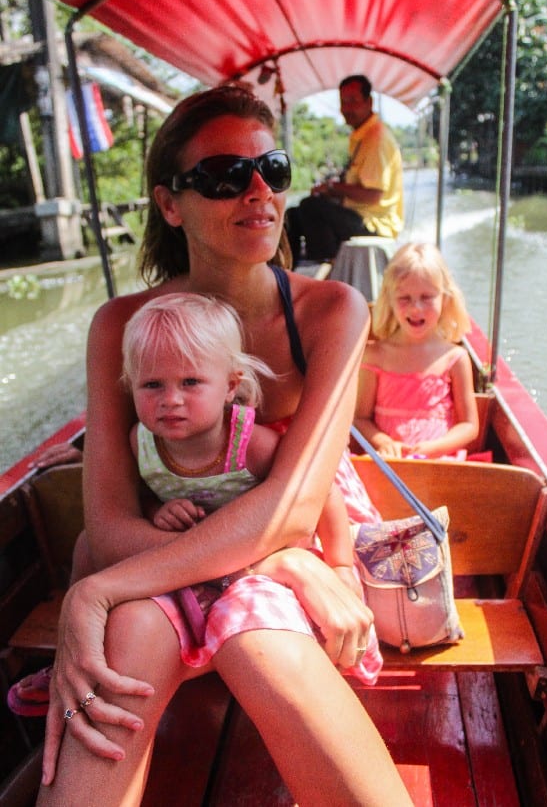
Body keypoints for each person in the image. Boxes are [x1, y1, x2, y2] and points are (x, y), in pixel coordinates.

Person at [37, 84, 414, 807]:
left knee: (255, 636)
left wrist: (97, 591)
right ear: (170, 203)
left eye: (271, 169)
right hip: (169, 550)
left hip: (295, 543)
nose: (257, 192)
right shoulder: (121, 326)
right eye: (222, 175)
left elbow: (297, 509)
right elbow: (112, 526)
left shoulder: (332, 309)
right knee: (137, 631)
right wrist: (122, 580)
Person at [121, 291, 378, 680]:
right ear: (131, 386)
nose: (170, 400)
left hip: (266, 561)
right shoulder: (140, 442)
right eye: (152, 385)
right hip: (196, 564)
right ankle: (78, 669)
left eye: (190, 382)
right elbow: (144, 493)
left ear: (229, 387)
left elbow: (318, 491)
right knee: (88, 549)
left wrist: (341, 564)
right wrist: (159, 511)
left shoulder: (249, 444)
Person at [354, 242, 479, 459]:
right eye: (405, 298)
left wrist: (436, 448)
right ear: (390, 300)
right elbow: (359, 418)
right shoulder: (375, 356)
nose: (416, 308)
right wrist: (384, 441)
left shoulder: (454, 358)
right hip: (390, 461)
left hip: (439, 462)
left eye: (426, 297)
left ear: (445, 299)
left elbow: (469, 425)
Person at [286, 74, 403, 265]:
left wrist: (331, 188)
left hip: (375, 225)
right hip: (357, 215)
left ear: (369, 102)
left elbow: (373, 195)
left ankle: (325, 268)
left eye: (353, 101)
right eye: (343, 102)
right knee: (294, 215)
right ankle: (287, 271)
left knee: (311, 207)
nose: (346, 109)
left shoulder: (376, 139)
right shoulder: (360, 136)